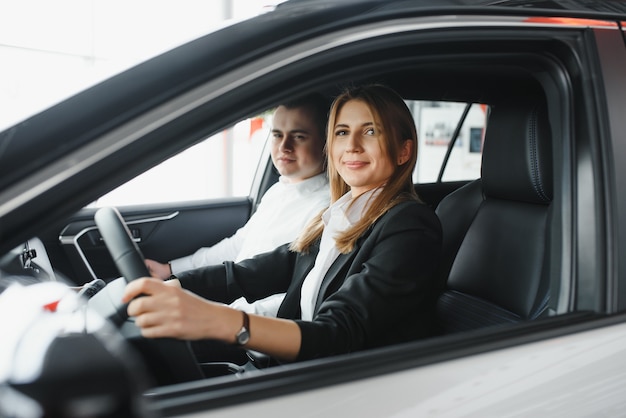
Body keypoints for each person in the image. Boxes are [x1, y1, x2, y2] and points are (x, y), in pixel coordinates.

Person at [122, 84, 442, 364]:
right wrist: (175, 283)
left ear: (404, 151)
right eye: (342, 132)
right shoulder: (337, 217)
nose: (352, 145)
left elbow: (338, 333)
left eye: (371, 131)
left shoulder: (410, 226)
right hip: (294, 368)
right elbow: (254, 272)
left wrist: (220, 321)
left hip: (339, 386)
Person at [145, 93, 331, 317]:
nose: (284, 146)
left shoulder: (325, 209)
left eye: (299, 136)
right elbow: (239, 244)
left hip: (251, 326)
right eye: (277, 135)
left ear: (326, 143)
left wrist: (219, 316)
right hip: (231, 304)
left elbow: (294, 296)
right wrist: (171, 269)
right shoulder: (279, 190)